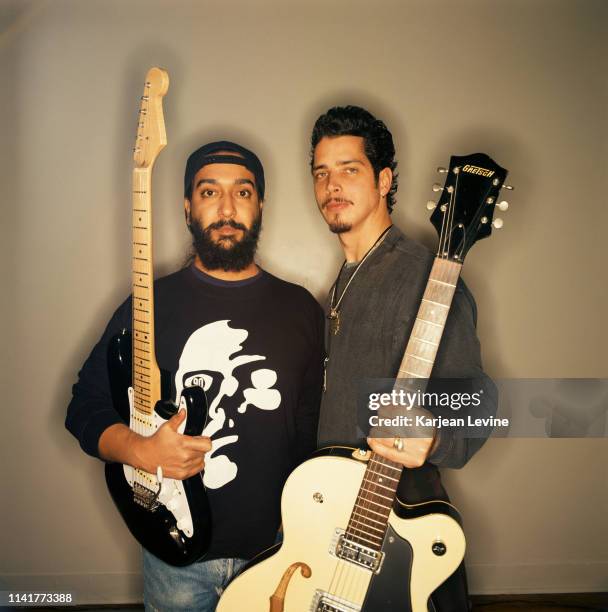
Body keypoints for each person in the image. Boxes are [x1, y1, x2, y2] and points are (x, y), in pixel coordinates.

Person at [66, 141, 324, 611]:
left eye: (242, 193)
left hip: (276, 555)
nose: (227, 208)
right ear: (188, 207)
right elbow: (84, 406)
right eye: (209, 192)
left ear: (260, 205)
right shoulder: (149, 305)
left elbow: (311, 433)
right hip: (174, 559)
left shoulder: (302, 310)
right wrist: (142, 451)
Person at [309, 106, 498, 611]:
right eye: (322, 172)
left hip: (400, 533)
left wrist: (433, 433)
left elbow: (479, 400)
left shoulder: (425, 275)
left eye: (349, 170)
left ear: (383, 179)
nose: (333, 185)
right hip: (334, 526)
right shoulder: (343, 281)